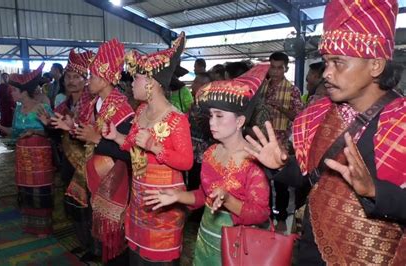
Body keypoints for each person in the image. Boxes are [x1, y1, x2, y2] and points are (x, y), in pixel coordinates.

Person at [245, 1, 406, 265]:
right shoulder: (317, 116)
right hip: (313, 251)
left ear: (376, 65)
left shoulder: (401, 123)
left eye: (338, 63)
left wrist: (375, 191)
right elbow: (307, 179)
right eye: (327, 62)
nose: (327, 73)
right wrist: (281, 166)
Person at [144, 64, 271, 265]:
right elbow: (204, 196)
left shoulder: (253, 161)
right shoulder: (211, 152)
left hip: (238, 248)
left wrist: (228, 200)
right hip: (206, 239)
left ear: (239, 122)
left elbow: (261, 213)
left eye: (219, 116)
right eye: (211, 115)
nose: (212, 122)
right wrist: (177, 196)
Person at [102, 32, 193, 265]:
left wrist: (155, 146)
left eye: (136, 79)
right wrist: (116, 136)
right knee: (137, 257)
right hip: (139, 198)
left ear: (151, 83)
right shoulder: (141, 111)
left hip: (164, 204)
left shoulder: (176, 119)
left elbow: (186, 162)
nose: (131, 84)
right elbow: (132, 146)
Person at [73, 39, 134, 264]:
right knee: (100, 227)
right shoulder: (96, 103)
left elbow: (129, 151)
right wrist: (69, 128)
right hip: (98, 176)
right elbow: (88, 134)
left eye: (93, 76)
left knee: (116, 233)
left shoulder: (122, 108)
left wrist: (97, 139)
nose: (88, 81)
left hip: (115, 181)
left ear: (107, 78)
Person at [38, 49, 97, 260]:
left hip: (89, 163)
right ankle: (84, 243)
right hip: (68, 162)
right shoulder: (63, 105)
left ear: (85, 80)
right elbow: (57, 134)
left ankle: (95, 248)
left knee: (89, 206)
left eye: (76, 77)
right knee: (73, 205)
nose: (71, 81)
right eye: (68, 77)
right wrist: (49, 126)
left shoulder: (93, 104)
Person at [0, 63, 54, 236]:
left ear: (24, 91)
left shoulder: (42, 107)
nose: (11, 93)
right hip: (23, 157)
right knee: (26, 190)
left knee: (40, 191)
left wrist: (35, 131)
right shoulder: (18, 110)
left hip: (40, 158)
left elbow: (53, 133)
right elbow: (14, 133)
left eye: (14, 90)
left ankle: (43, 228)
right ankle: (30, 226)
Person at [258, 51, 304, 232]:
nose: (275, 72)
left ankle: (282, 218)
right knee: (261, 181)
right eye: (272, 67)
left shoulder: (292, 90)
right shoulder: (262, 87)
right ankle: (265, 216)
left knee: (280, 183)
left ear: (286, 68)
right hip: (260, 142)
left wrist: (281, 108)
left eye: (279, 68)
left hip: (280, 144)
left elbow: (299, 116)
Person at [0, 72, 16, 137]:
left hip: (11, 105)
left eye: (6, 77)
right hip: (4, 106)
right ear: (1, 78)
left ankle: (11, 132)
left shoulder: (12, 86)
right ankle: (3, 133)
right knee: (4, 119)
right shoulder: (0, 86)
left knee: (11, 119)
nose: (5, 78)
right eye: (3, 77)